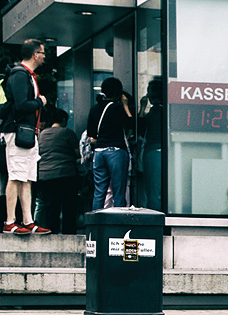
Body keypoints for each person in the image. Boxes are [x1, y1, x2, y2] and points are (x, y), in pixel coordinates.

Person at [2, 39, 50, 235]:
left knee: (27, 177)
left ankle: (27, 220)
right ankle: (10, 221)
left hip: (26, 132)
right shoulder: (20, 75)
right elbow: (21, 105)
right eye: (43, 53)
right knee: (16, 176)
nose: (45, 56)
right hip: (18, 131)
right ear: (35, 54)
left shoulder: (25, 74)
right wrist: (40, 102)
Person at [88, 77, 131, 210]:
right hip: (116, 151)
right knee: (118, 191)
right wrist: (125, 105)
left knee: (99, 191)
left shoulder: (94, 109)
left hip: (99, 152)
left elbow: (91, 133)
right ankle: (117, 225)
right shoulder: (118, 108)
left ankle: (96, 225)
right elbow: (131, 124)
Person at [36, 108, 79, 235]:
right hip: (66, 174)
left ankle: (52, 233)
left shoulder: (41, 134)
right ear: (64, 120)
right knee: (68, 207)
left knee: (51, 208)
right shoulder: (67, 132)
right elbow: (77, 153)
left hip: (45, 175)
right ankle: (69, 234)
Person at [138, 79, 163, 210]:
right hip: (163, 151)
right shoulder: (166, 111)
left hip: (153, 152)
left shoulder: (153, 114)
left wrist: (142, 107)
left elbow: (139, 128)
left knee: (152, 191)